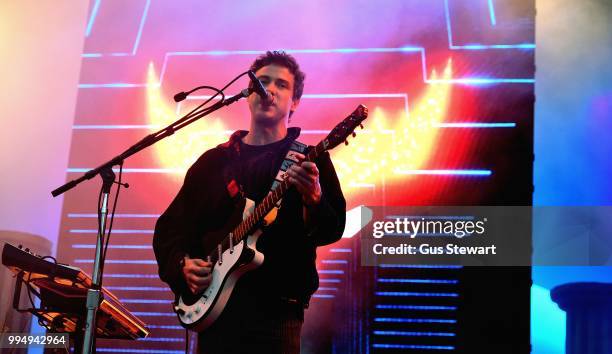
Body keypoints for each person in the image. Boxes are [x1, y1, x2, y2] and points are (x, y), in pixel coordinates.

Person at [153, 51, 346, 353]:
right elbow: (171, 229)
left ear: (295, 102)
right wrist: (182, 266)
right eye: (261, 81)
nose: (268, 88)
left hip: (278, 316)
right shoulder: (214, 162)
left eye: (281, 85)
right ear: (248, 94)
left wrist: (314, 198)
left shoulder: (311, 159)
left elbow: (333, 229)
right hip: (216, 317)